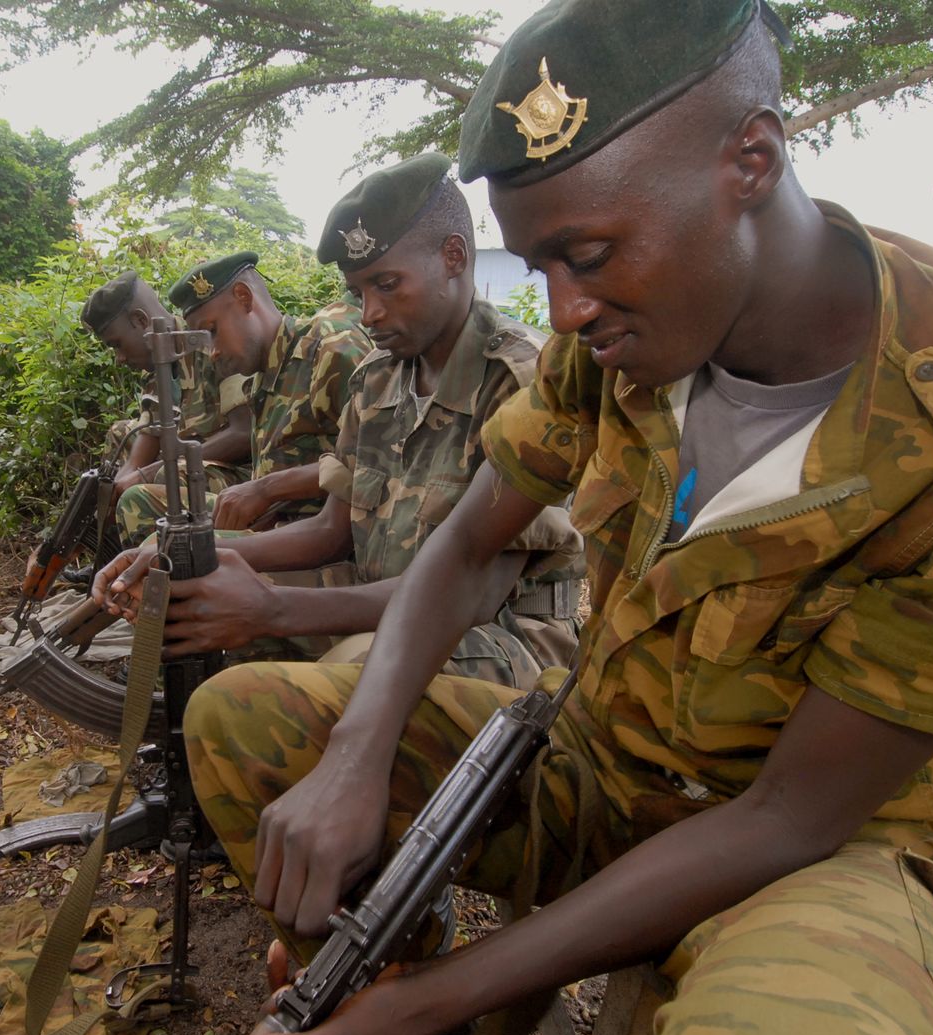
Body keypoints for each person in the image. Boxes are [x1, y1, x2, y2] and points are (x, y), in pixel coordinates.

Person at [188, 2, 933, 1035]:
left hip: (832, 851)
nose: (562, 310)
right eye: (541, 266)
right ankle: (380, 1007)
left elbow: (791, 815)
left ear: (749, 158)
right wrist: (353, 759)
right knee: (248, 722)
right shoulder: (618, 329)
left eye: (587, 254)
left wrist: (453, 995)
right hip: (601, 763)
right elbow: (471, 543)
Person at [93, 154, 582, 688]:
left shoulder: (525, 378)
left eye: (388, 285)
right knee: (204, 606)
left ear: (453, 256)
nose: (369, 312)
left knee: (346, 668)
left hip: (501, 633)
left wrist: (273, 608)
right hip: (378, 594)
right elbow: (329, 532)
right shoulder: (377, 380)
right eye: (359, 293)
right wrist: (181, 548)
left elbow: (475, 591)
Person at [112, 252, 371, 543]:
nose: (212, 352)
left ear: (244, 298)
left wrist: (268, 489)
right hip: (272, 524)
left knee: (165, 552)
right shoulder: (262, 376)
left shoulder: (329, 348)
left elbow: (375, 463)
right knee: (146, 513)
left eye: (212, 331)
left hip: (321, 536)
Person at [82, 269, 252, 515]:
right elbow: (147, 443)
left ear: (141, 321)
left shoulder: (210, 343)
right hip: (190, 460)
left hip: (240, 474)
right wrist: (112, 491)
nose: (119, 358)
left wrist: (148, 474)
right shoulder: (156, 366)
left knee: (166, 476)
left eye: (117, 344)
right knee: (121, 434)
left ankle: (158, 548)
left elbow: (244, 432)